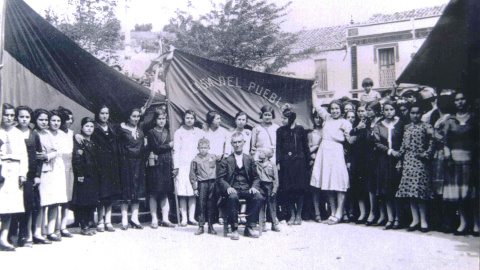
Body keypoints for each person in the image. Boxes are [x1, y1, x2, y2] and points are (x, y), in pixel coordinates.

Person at [310, 95, 352, 225]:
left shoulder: (345, 123)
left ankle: (339, 213)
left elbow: (350, 140)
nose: (334, 111)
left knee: (339, 183)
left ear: (341, 110)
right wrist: (313, 90)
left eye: (337, 109)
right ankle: (332, 213)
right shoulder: (327, 118)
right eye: (332, 108)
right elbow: (316, 106)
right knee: (327, 183)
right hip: (325, 152)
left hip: (337, 152)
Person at [443, 92, 479, 236]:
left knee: (473, 194)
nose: (460, 102)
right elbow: (446, 141)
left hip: (471, 161)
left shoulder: (474, 119)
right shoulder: (450, 121)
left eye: (462, 99)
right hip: (455, 162)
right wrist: (447, 155)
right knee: (459, 194)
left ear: (466, 101)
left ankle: (476, 224)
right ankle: (463, 223)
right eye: (457, 100)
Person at [217, 132, 265, 240]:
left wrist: (254, 187)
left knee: (258, 197)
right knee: (232, 197)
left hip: (247, 188)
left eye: (239, 142)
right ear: (231, 144)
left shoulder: (249, 159)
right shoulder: (226, 160)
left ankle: (250, 227)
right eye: (235, 142)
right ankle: (234, 229)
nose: (237, 144)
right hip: (233, 188)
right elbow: (220, 178)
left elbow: (256, 177)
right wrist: (228, 187)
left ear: (244, 143)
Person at [395, 103, 434, 232]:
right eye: (412, 113)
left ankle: (424, 221)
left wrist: (426, 154)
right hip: (408, 161)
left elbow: (433, 141)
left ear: (421, 113)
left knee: (420, 192)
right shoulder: (407, 128)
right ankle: (415, 219)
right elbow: (403, 146)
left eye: (417, 113)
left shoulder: (426, 126)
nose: (415, 115)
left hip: (420, 161)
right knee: (411, 192)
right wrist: (399, 158)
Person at [14, 106, 44, 248]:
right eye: (21, 117)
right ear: (17, 117)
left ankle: (25, 236)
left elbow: (39, 157)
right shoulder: (13, 132)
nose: (24, 119)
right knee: (14, 206)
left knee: (28, 206)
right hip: (14, 174)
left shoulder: (34, 134)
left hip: (30, 176)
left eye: (27, 117)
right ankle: (11, 236)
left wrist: (38, 175)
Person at [0, 104, 28, 251]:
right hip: (1, 169)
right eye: (6, 115)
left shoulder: (17, 133)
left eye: (12, 115)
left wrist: (22, 173)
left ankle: (3, 239)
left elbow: (24, 155)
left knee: (9, 207)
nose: (9, 118)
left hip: (14, 171)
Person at [372, 100, 404, 228]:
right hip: (385, 160)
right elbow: (377, 142)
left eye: (391, 109)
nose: (388, 112)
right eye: (386, 110)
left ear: (395, 110)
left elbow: (404, 140)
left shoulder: (400, 124)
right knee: (387, 190)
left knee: (397, 189)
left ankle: (399, 219)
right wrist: (390, 151)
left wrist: (400, 153)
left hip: (399, 159)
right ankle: (390, 219)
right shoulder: (379, 125)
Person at [276, 108, 309, 225]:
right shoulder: (280, 131)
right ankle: (292, 214)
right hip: (286, 164)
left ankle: (299, 215)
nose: (282, 120)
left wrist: (307, 162)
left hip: (300, 164)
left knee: (300, 189)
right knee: (288, 189)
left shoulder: (300, 130)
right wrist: (278, 162)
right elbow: (278, 148)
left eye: (284, 118)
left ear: (291, 119)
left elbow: (306, 147)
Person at [117, 108, 148, 230]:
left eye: (138, 116)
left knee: (137, 191)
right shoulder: (121, 130)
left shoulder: (140, 130)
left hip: (138, 164)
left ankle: (134, 218)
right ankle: (124, 219)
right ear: (128, 117)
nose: (136, 119)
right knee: (126, 191)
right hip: (126, 163)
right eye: (133, 116)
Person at [173, 110, 205, 226]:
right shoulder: (179, 132)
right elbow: (176, 150)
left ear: (194, 119)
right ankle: (184, 218)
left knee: (192, 191)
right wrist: (176, 167)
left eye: (191, 118)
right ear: (183, 119)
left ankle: (192, 217)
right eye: (187, 118)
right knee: (182, 192)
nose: (189, 120)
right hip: (183, 165)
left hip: (195, 165)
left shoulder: (199, 132)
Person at [146, 109, 175, 229]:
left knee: (164, 193)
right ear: (155, 120)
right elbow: (156, 148)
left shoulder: (169, 132)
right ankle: (154, 219)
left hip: (167, 164)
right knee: (154, 193)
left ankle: (165, 219)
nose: (161, 121)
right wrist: (168, 145)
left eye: (163, 118)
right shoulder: (151, 132)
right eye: (159, 118)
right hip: (156, 165)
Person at [71, 117, 100, 236]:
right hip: (83, 175)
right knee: (82, 202)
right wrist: (80, 174)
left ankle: (89, 223)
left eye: (91, 126)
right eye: (87, 126)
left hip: (92, 175)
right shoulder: (78, 141)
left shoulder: (93, 142)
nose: (89, 129)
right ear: (82, 128)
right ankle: (84, 226)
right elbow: (77, 159)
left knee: (91, 201)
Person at [348, 103, 375, 224]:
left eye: (363, 111)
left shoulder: (371, 124)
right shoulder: (355, 125)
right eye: (359, 111)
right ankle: (362, 212)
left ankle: (372, 213)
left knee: (369, 187)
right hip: (356, 158)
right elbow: (349, 142)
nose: (361, 113)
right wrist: (358, 128)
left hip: (368, 158)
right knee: (358, 187)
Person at [190, 138, 218, 235]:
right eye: (201, 148)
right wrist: (195, 188)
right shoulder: (195, 160)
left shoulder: (213, 157)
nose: (203, 150)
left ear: (209, 148)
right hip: (202, 184)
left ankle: (210, 226)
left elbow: (222, 160)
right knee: (201, 205)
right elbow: (193, 175)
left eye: (205, 148)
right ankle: (201, 226)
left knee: (211, 204)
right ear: (198, 148)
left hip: (212, 183)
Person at [55, 107, 74, 238]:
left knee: (67, 197)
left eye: (72, 119)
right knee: (57, 198)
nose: (70, 121)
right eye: (68, 119)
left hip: (70, 165)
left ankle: (63, 226)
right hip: (59, 165)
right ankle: (55, 227)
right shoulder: (55, 133)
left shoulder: (72, 133)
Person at [364, 101, 383, 226]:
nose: (367, 112)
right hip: (368, 157)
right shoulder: (365, 123)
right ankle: (372, 212)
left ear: (376, 111)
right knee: (371, 186)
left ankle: (382, 214)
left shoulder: (381, 122)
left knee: (380, 185)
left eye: (370, 110)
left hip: (380, 156)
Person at [309, 110, 328, 222]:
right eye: (316, 117)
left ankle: (327, 211)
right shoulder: (311, 133)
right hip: (316, 160)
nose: (318, 120)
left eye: (320, 118)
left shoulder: (327, 131)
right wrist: (318, 145)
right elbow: (309, 150)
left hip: (326, 161)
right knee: (315, 187)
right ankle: (317, 213)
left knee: (326, 187)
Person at [256, 148, 280, 232]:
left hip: (270, 186)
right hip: (261, 186)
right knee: (261, 206)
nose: (259, 153)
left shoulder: (272, 165)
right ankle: (262, 224)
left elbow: (276, 179)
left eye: (261, 152)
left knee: (272, 206)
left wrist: (274, 189)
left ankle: (274, 224)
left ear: (266, 155)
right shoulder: (257, 164)